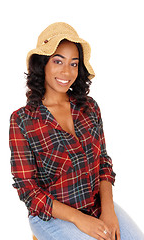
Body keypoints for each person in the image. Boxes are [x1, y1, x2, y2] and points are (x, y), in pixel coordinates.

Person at [9, 22, 144, 240]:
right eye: (58, 61)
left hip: (95, 205)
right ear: (42, 64)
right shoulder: (23, 120)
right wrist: (79, 219)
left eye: (74, 64)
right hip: (51, 217)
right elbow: (29, 191)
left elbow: (103, 162)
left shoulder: (89, 107)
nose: (66, 71)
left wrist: (108, 211)